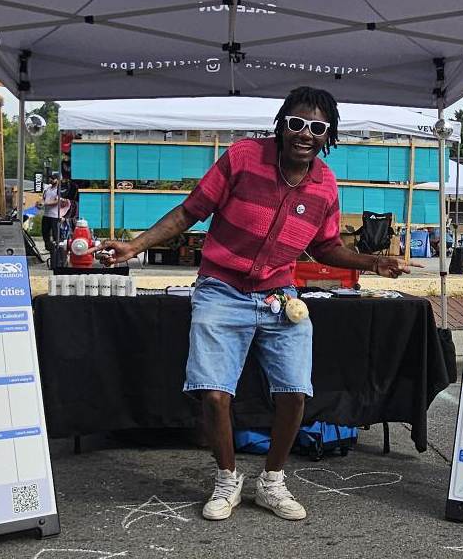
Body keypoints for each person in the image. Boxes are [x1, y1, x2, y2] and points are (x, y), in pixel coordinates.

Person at [100, 87, 418, 523]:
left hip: (279, 297)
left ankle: (271, 482)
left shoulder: (325, 184)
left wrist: (373, 261)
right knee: (213, 394)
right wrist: (134, 246)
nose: (305, 134)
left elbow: (325, 249)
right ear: (282, 124)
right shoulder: (243, 157)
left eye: (317, 128)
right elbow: (189, 212)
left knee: (294, 393)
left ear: (328, 135)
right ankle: (227, 479)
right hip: (220, 288)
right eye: (297, 123)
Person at [40, 171, 63, 252]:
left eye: (53, 178)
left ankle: (58, 250)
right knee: (45, 233)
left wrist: (46, 203)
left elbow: (58, 201)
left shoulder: (60, 189)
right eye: (50, 178)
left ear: (58, 179)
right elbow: (43, 198)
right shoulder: (47, 188)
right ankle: (50, 248)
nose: (51, 180)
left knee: (56, 234)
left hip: (55, 216)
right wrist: (40, 202)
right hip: (46, 215)